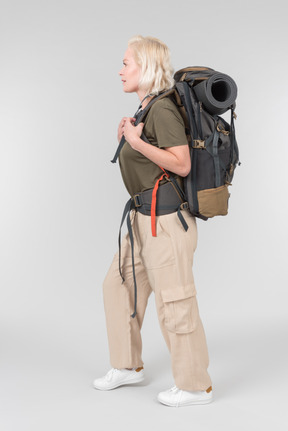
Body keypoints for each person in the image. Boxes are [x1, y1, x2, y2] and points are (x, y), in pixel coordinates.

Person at [93, 35, 213, 407]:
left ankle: (196, 387)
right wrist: (129, 137)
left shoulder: (162, 109)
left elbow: (181, 163)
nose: (120, 69)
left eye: (126, 63)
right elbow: (147, 159)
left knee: (175, 301)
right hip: (141, 220)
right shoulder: (147, 108)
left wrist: (136, 141)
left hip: (166, 223)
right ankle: (128, 367)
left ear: (145, 67)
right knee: (118, 288)